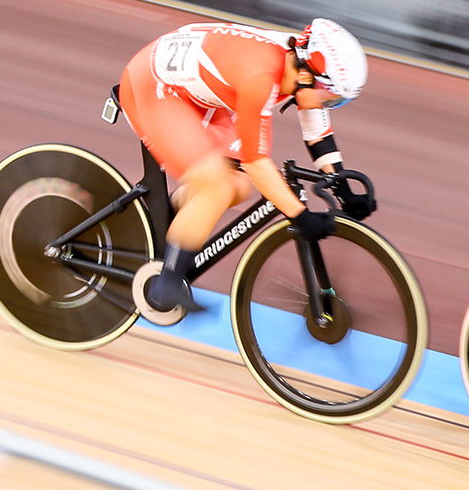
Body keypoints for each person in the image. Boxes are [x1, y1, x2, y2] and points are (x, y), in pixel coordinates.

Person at [120, 19, 371, 323]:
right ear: (306, 75)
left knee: (239, 185)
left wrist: (342, 189)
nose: (328, 104)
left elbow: (317, 134)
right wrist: (299, 215)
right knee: (218, 184)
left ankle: (167, 217)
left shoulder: (299, 64)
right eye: (330, 96)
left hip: (203, 94)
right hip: (154, 87)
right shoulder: (262, 75)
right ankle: (166, 284)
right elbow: (256, 161)